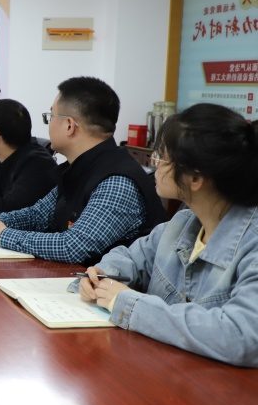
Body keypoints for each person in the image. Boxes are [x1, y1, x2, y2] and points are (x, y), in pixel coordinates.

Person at [79, 103, 258, 367]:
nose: (155, 166)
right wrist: (103, 276)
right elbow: (130, 257)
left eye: (162, 158)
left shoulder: (252, 242)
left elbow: (241, 337)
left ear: (195, 178)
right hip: (165, 371)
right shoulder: (183, 222)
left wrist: (128, 303)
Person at [0, 76, 168, 265]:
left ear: (69, 125)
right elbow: (38, 215)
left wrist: (2, 235)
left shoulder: (116, 181)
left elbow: (74, 246)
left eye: (51, 117)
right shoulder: (83, 167)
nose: (49, 124)